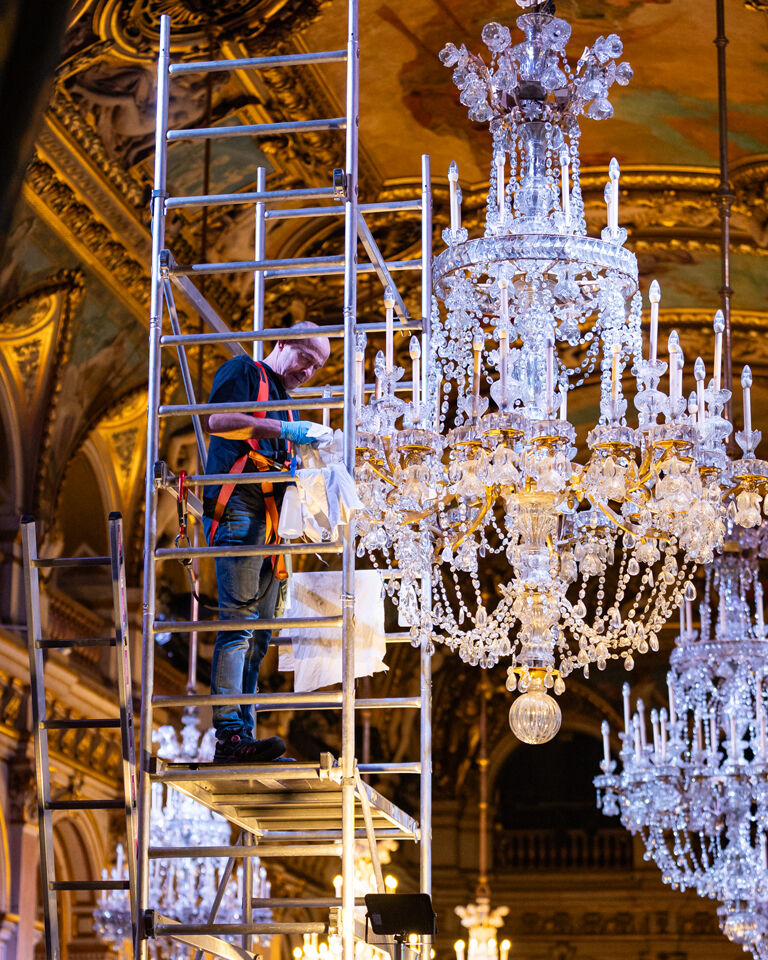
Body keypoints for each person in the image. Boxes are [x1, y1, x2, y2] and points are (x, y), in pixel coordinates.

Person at [201, 323, 331, 762]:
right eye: (306, 358)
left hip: (273, 520)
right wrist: (285, 432)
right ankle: (229, 736)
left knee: (260, 633)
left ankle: (246, 734)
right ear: (282, 344)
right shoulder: (245, 371)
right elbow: (217, 421)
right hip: (238, 506)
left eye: (317, 366)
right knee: (237, 622)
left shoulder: (288, 408)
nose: (309, 371)